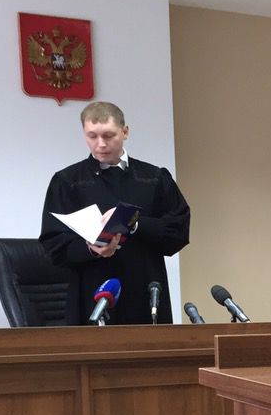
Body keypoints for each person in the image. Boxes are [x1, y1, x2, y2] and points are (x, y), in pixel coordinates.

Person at [40, 101, 190, 325]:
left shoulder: (154, 178)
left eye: (108, 135)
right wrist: (89, 249)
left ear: (125, 132)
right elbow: (53, 245)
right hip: (91, 293)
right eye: (92, 136)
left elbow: (178, 231)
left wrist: (135, 223)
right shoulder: (67, 182)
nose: (100, 144)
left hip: (144, 291)